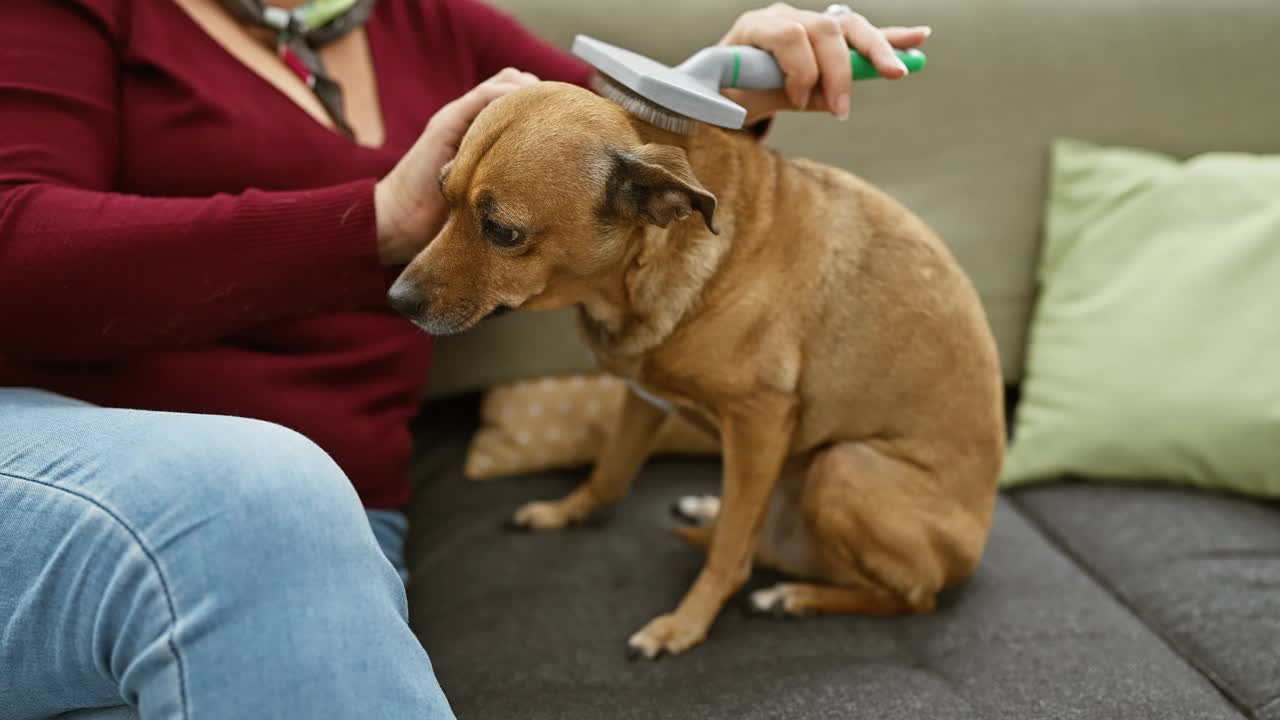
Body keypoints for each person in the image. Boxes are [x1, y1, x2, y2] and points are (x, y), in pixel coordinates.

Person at [0, 1, 930, 717]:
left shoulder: (423, 18)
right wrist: (367, 226)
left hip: (331, 526)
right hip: (74, 452)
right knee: (260, 498)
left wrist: (743, 74)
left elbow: (612, 141)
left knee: (274, 543)